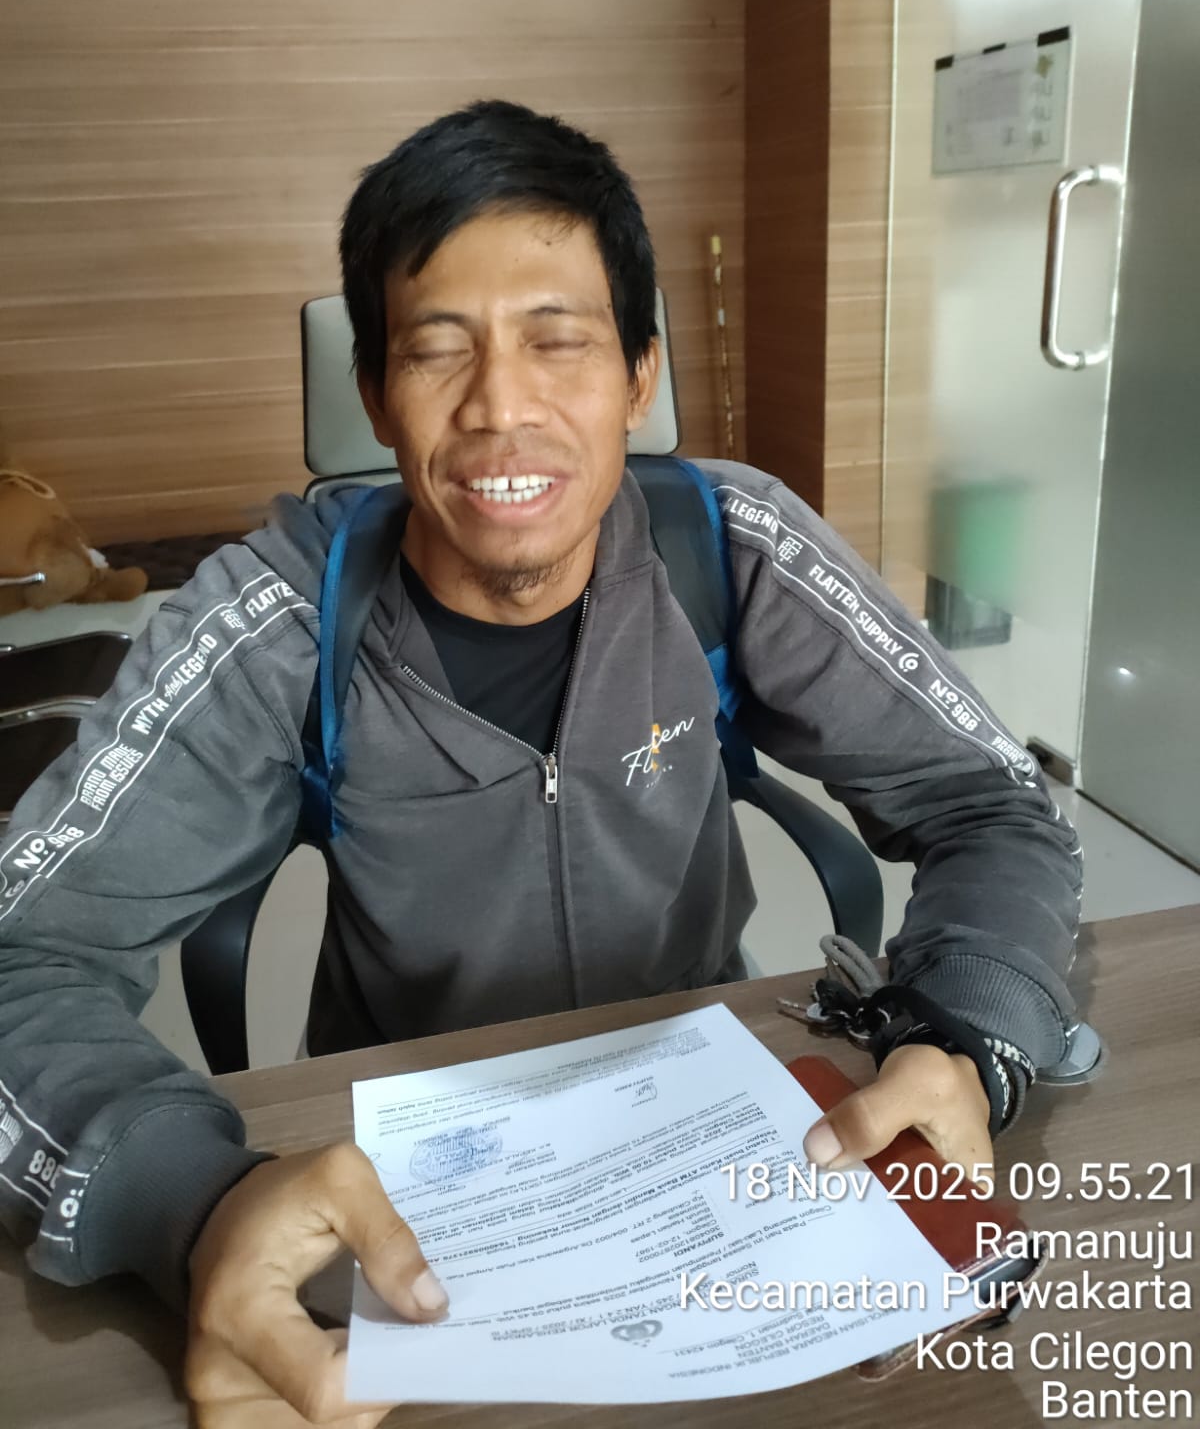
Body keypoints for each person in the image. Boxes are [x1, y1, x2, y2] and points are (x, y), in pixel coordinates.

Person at [0, 100, 1081, 1427]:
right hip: (406, 1189)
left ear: (640, 375)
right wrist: (194, 1204)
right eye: (435, 350)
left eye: (559, 341)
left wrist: (964, 1034)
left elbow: (992, 803)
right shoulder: (279, 620)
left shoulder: (733, 548)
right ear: (374, 396)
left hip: (712, 1132)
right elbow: (18, 950)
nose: (500, 407)